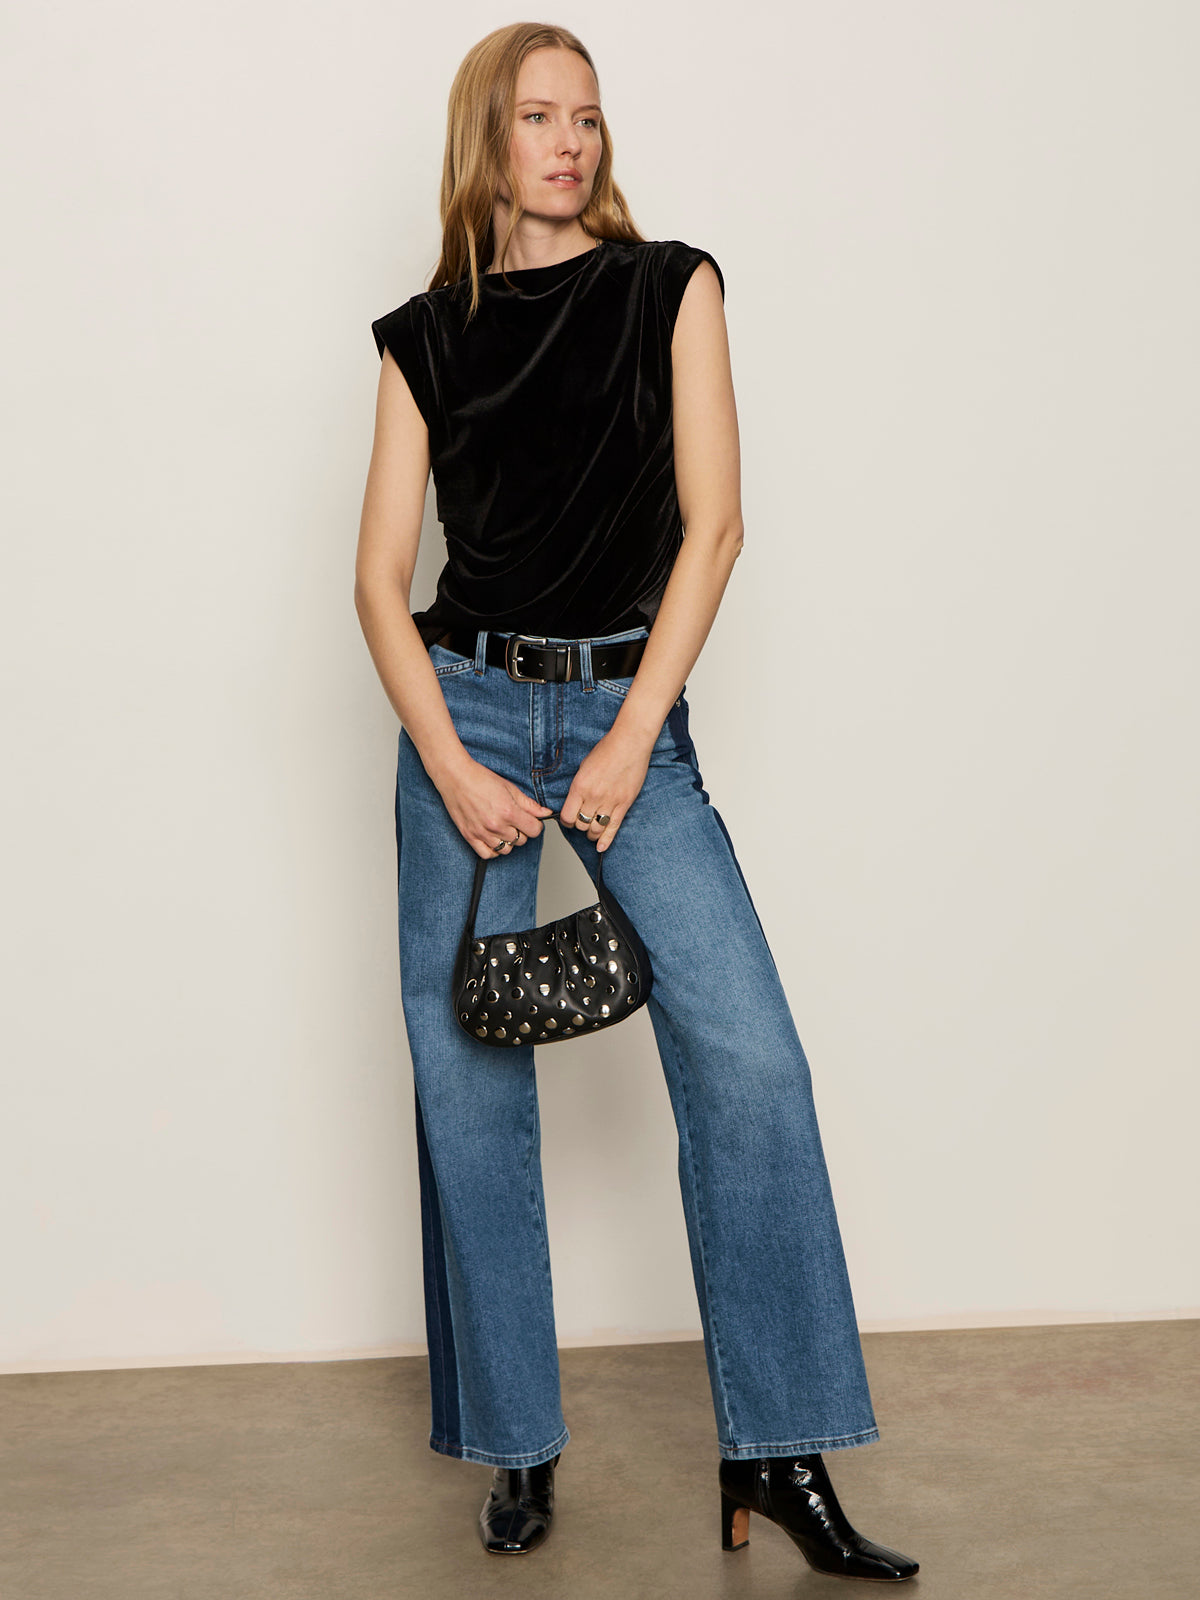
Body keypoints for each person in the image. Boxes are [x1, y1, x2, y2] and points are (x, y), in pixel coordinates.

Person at [354, 20, 919, 1583]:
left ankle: (779, 1449)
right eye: (539, 116)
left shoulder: (673, 287)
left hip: (625, 717)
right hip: (460, 716)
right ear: (488, 138)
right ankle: (518, 1444)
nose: (570, 141)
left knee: (750, 1062)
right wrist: (459, 766)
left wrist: (626, 739)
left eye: (588, 117)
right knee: (465, 1084)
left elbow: (716, 528)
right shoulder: (423, 335)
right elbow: (375, 584)